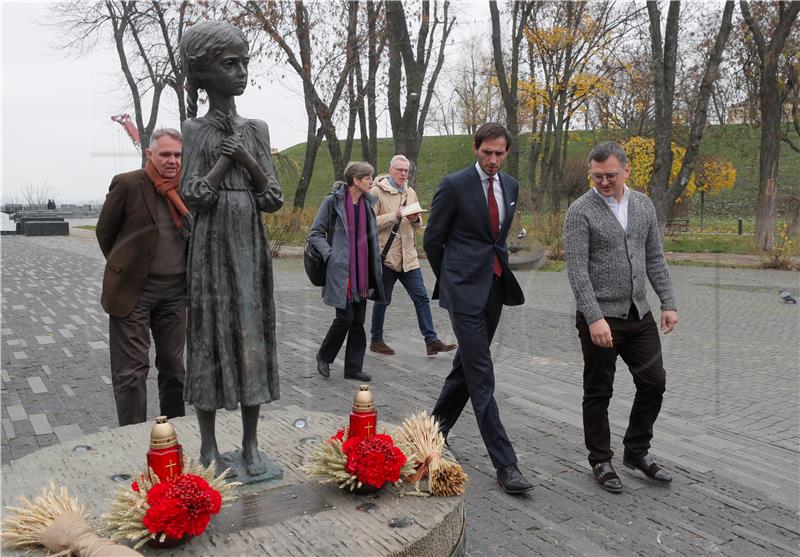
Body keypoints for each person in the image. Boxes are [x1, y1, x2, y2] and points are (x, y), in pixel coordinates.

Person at [179, 21, 284, 477]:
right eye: (230, 64)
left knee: (251, 336)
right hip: (210, 247)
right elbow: (193, 195)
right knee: (208, 337)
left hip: (249, 246)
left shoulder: (256, 129)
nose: (241, 72)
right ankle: (207, 445)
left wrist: (247, 159)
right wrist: (225, 159)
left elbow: (273, 198)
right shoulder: (194, 129)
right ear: (203, 74)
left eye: (244, 63)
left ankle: (251, 443)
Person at [563, 141, 678, 494]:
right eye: (597, 176)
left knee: (654, 382)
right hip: (600, 317)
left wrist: (668, 302)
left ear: (626, 170)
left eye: (610, 175)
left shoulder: (642, 205)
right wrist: (594, 316)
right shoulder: (580, 211)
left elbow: (655, 257)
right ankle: (600, 458)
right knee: (599, 390)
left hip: (638, 313)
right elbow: (577, 270)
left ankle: (636, 451)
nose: (604, 182)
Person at [423, 123, 532, 495]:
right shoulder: (454, 185)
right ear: (475, 148)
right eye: (487, 152)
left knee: (466, 367)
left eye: (500, 153)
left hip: (495, 289)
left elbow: (496, 238)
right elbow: (433, 239)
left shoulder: (511, 186)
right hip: (463, 293)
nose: (493, 159)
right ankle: (506, 464)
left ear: (507, 153)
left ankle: (432, 431)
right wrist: (452, 279)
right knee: (482, 373)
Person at [96, 128, 190, 427]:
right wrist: (125, 267)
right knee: (132, 373)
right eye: (165, 154)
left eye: (177, 154)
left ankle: (175, 435)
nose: (172, 160)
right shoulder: (128, 184)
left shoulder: (187, 188)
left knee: (175, 369)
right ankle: (132, 439)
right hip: (134, 292)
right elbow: (104, 232)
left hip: (175, 293)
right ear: (150, 154)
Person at [369, 155, 456, 357]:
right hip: (387, 256)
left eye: (406, 170)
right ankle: (376, 340)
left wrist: (415, 219)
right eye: (399, 170)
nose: (403, 174)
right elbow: (370, 223)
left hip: (409, 257)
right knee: (383, 300)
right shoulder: (376, 192)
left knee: (421, 298)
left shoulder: (410, 192)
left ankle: (431, 341)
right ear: (390, 170)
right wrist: (396, 215)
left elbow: (416, 225)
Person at [309, 162, 385, 383]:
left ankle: (353, 368)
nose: (372, 181)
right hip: (341, 271)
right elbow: (315, 233)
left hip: (363, 272)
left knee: (358, 321)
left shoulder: (368, 203)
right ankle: (324, 356)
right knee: (345, 318)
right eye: (368, 178)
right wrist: (330, 255)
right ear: (356, 180)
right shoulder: (332, 202)